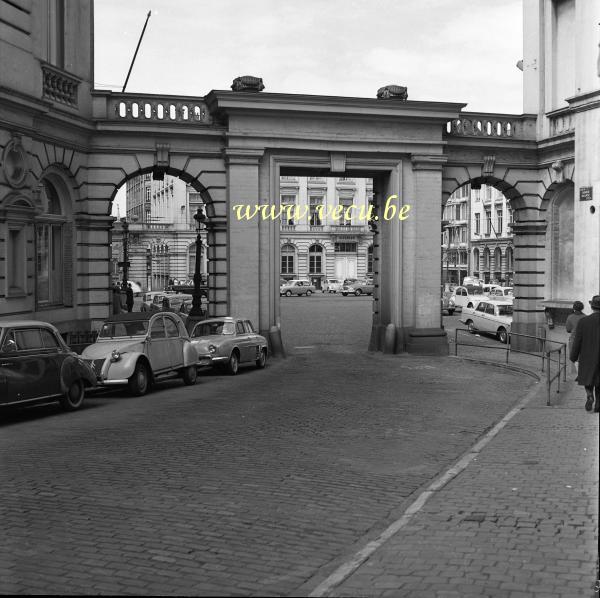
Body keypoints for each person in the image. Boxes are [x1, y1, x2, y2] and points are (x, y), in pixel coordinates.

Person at [569, 295, 600, 413]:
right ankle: (598, 404)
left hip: (587, 356)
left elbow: (578, 341)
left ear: (592, 306)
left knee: (588, 379)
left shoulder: (583, 321)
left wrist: (573, 356)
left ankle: (589, 395)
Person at [565, 301, 585, 374]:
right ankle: (581, 372)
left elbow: (568, 330)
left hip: (573, 340)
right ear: (582, 308)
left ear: (574, 308)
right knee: (582, 357)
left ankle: (574, 373)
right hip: (583, 340)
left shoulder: (570, 317)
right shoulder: (585, 317)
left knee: (573, 357)